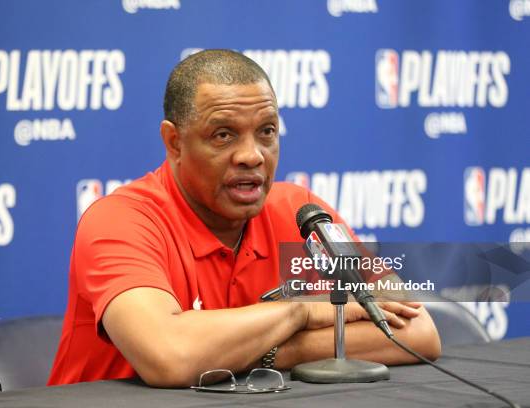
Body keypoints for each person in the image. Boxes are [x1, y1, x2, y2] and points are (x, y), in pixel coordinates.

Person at [48, 49, 440, 388]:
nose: (252, 155)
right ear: (174, 142)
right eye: (223, 135)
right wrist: (300, 312)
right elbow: (170, 356)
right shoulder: (121, 220)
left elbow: (417, 329)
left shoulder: (300, 212)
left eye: (266, 131)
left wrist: (267, 351)